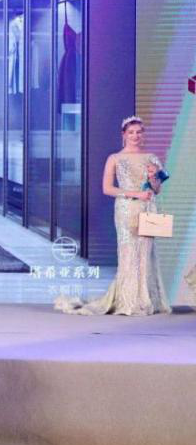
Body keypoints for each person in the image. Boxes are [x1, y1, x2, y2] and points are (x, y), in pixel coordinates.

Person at [55, 116, 171, 316]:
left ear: (143, 134)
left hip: (147, 208)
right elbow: (107, 188)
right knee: (128, 254)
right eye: (131, 132)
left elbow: (157, 189)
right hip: (126, 210)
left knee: (145, 255)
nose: (135, 136)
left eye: (139, 132)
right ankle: (128, 300)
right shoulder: (115, 158)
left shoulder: (152, 158)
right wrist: (135, 194)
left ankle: (145, 300)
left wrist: (153, 176)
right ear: (124, 135)